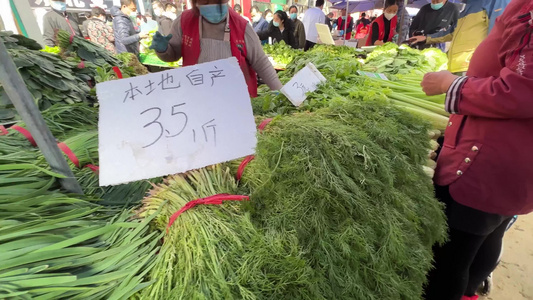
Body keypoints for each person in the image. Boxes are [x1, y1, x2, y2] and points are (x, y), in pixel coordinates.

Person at [420, 1, 533, 299]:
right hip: (511, 158)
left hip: (491, 159)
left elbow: (522, 90)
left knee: (449, 261)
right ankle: (469, 291)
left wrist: (452, 84)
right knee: (482, 236)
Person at [150, 0, 282, 97]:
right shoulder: (184, 21)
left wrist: (280, 92)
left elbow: (261, 62)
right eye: (206, 3)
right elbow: (173, 55)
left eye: (218, 2)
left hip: (236, 100)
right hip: (197, 98)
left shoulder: (242, 27)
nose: (212, 6)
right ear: (196, 3)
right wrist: (163, 49)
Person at [409, 0, 511, 74]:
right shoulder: (468, 6)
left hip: (472, 66)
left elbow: (498, 35)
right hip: (455, 65)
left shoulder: (496, 2)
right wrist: (427, 38)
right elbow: (453, 31)